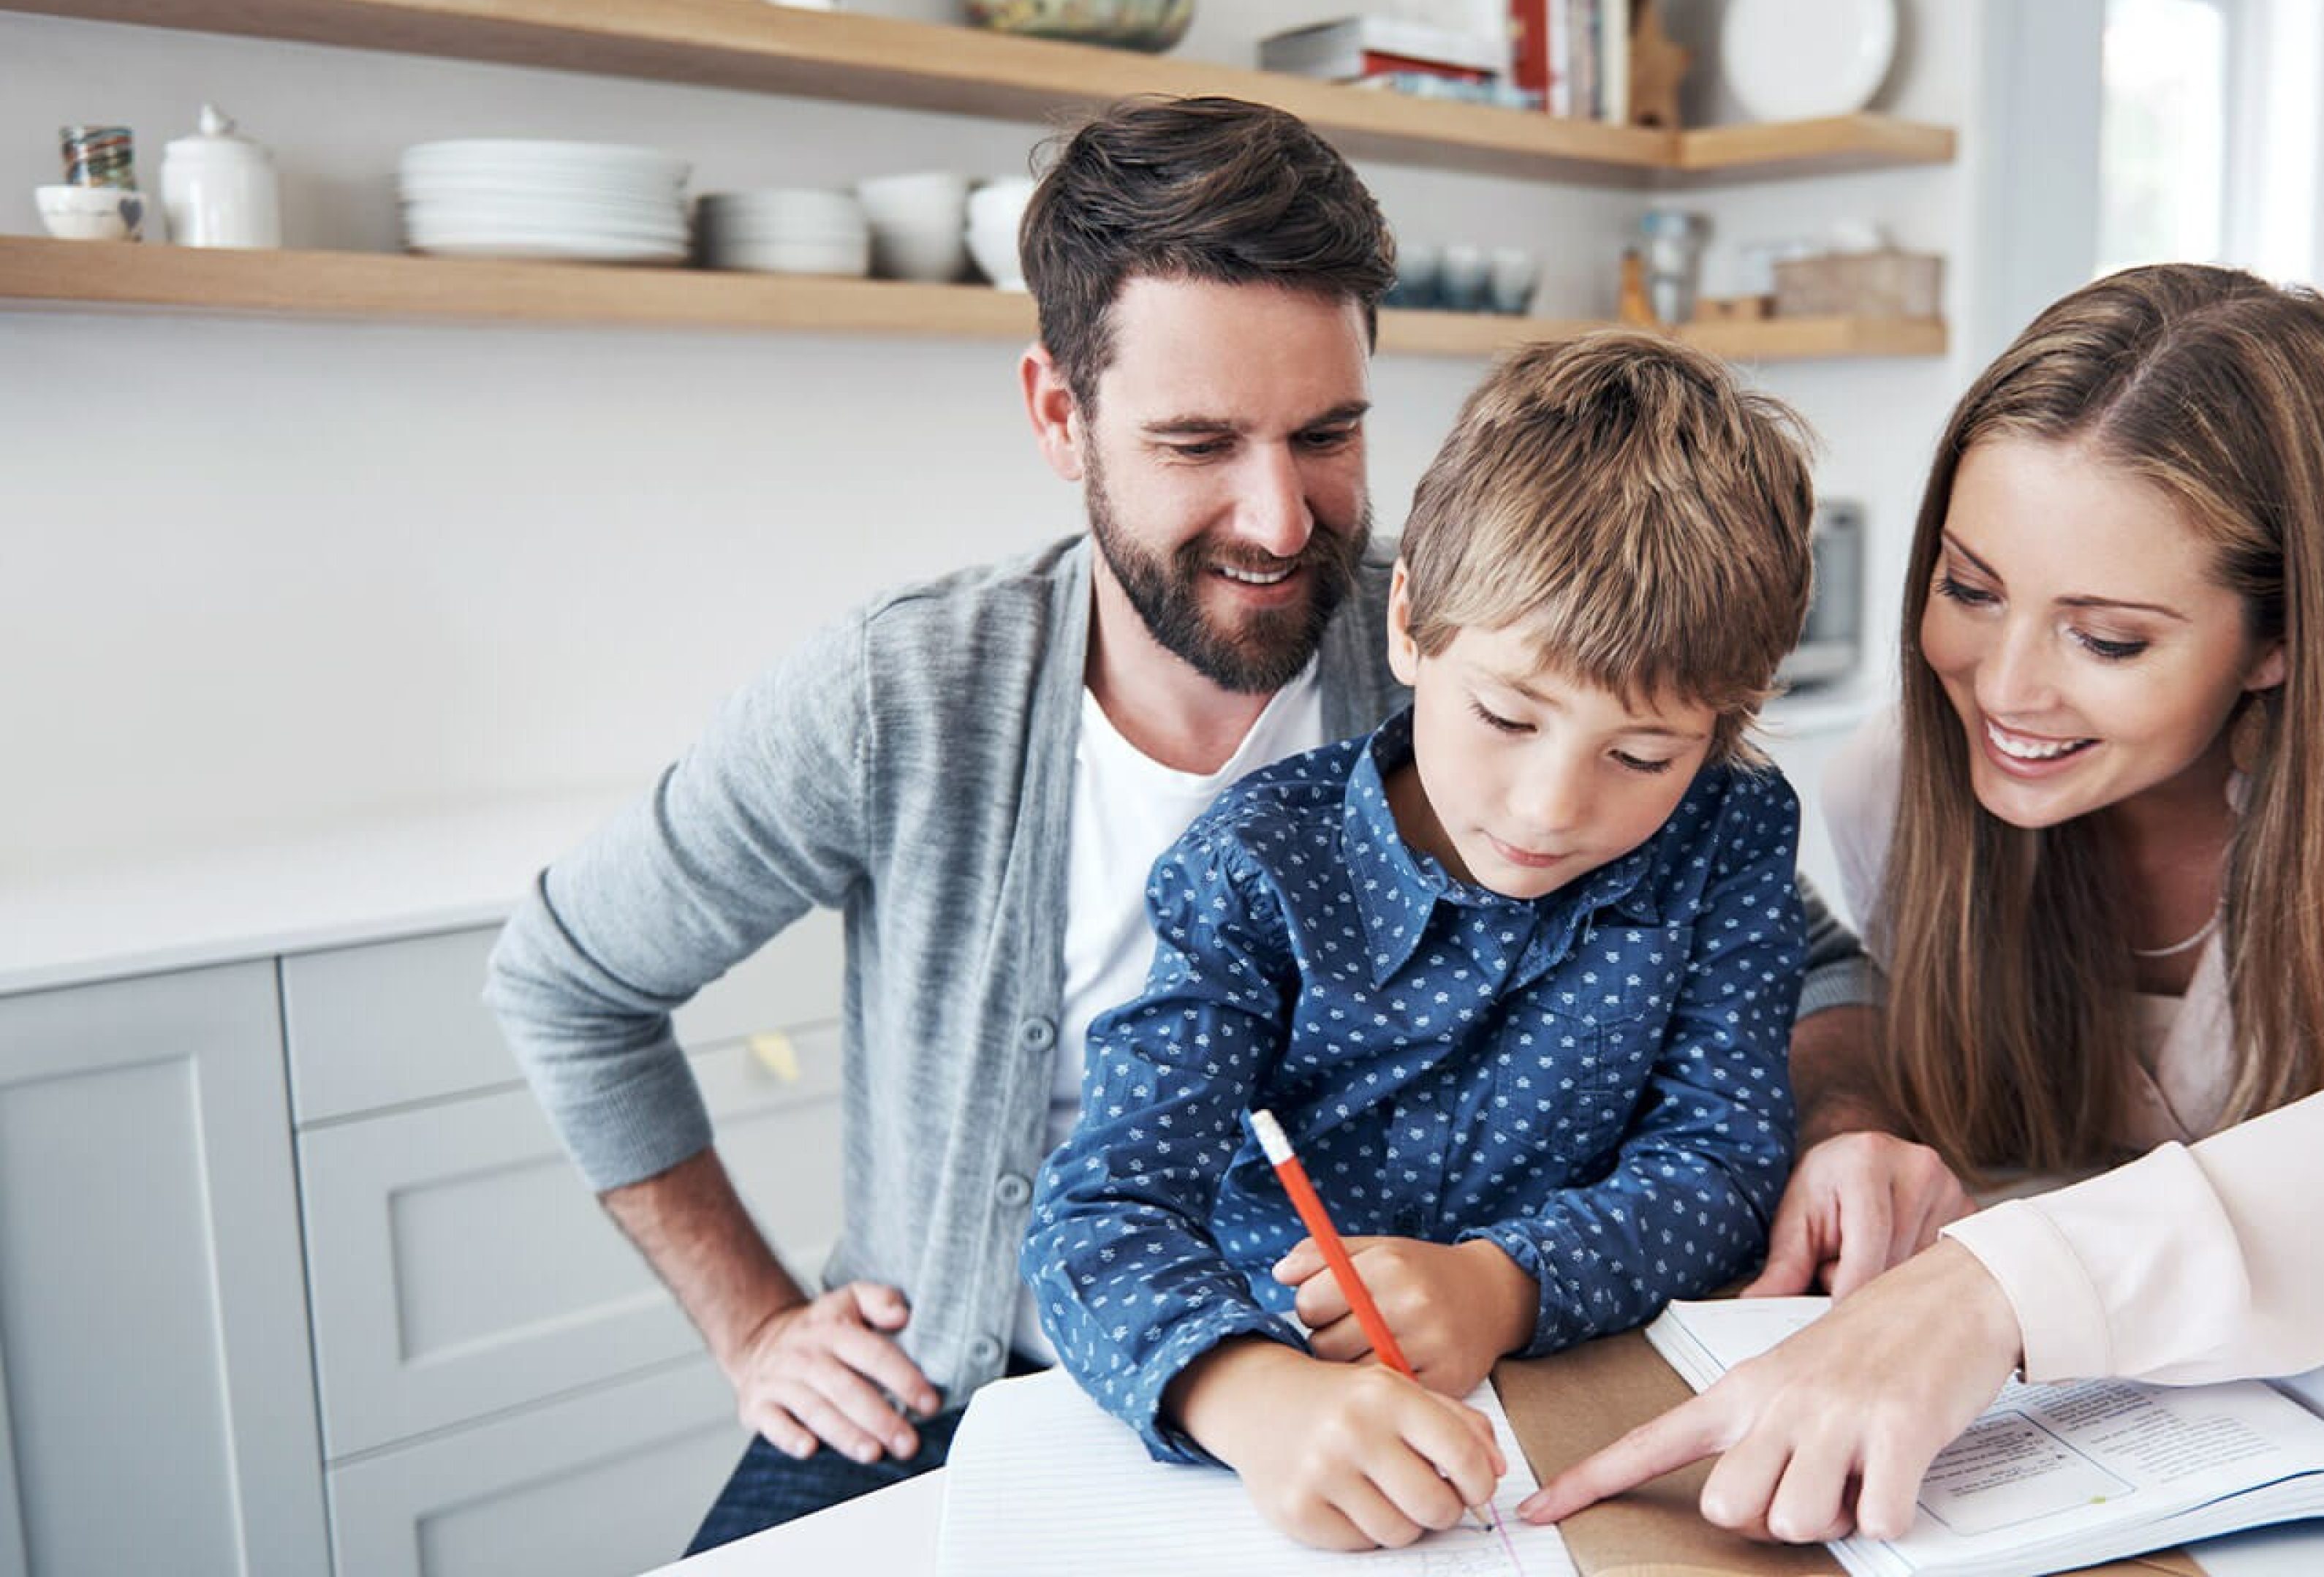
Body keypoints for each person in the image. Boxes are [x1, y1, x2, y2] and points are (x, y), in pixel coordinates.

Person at [486, 98, 1873, 1551]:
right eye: (1199, 441)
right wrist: (757, 1322)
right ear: (1056, 415)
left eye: (1328, 432)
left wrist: (1847, 1124)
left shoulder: (1495, 630)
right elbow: (565, 986)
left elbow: (1799, 960)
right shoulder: (896, 695)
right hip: (955, 1385)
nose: (1281, 522)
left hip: (1417, 1372)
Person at [1523, 262, 2324, 1546]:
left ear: (2279, 635)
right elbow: (1868, 1040)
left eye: (2107, 640)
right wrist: (1859, 1128)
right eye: (1969, 588)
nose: (2004, 688)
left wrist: (1988, 1296)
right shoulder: (1899, 785)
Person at [1022, 330, 1820, 1551]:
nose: (1553, 805)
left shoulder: (1732, 831)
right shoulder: (1256, 869)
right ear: (1410, 625)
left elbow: (1721, 1161)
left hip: (1581, 1410)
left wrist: (1507, 1284)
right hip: (1287, 1448)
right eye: (1507, 715)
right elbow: (1099, 1212)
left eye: (1643, 755)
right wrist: (1246, 1393)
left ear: (1723, 730)